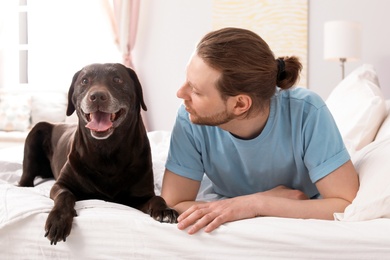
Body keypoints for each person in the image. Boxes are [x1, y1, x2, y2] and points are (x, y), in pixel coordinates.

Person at [160, 27, 359, 235]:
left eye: (196, 90)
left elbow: (346, 204)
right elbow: (173, 203)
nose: (180, 93)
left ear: (240, 104)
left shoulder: (307, 112)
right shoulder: (189, 117)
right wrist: (260, 199)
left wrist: (258, 204)